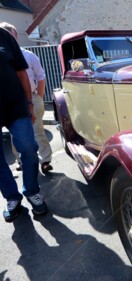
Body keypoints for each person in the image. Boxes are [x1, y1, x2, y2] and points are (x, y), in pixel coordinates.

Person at [0, 24, 48, 222]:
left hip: (15, 106)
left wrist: (29, 103)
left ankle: (31, 191)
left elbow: (21, 72)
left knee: (28, 148)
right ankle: (12, 197)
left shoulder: (3, 36)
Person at [0, 22, 53, 174]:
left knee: (38, 131)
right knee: (15, 135)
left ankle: (45, 160)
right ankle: (21, 162)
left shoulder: (29, 56)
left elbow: (41, 77)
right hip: (13, 101)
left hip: (32, 98)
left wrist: (39, 98)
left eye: (9, 35)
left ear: (15, 36)